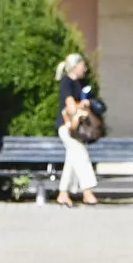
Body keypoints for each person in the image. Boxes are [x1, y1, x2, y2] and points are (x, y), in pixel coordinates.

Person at [54, 53, 102, 208]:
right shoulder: (66, 82)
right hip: (67, 126)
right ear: (75, 66)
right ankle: (87, 191)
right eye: (83, 65)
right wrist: (83, 105)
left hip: (78, 128)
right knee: (81, 154)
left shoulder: (82, 83)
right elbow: (70, 105)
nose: (85, 68)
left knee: (72, 159)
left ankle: (63, 193)